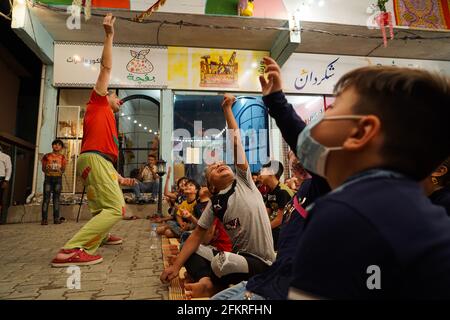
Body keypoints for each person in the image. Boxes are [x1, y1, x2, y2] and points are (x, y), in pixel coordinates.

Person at [259, 57, 450, 299]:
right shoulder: (417, 214)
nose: (320, 119)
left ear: (360, 132)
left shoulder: (342, 214)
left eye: (333, 109)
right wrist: (276, 100)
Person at [160, 94, 275, 299]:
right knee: (187, 239)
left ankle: (212, 286)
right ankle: (208, 281)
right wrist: (175, 267)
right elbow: (196, 236)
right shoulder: (215, 204)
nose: (219, 165)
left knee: (221, 262)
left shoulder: (244, 182)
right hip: (237, 261)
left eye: (221, 164)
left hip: (262, 262)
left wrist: (227, 110)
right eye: (213, 168)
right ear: (211, 185)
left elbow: (236, 142)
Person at [51, 14, 136, 267]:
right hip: (94, 159)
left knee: (101, 208)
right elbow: (106, 68)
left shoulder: (107, 117)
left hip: (96, 160)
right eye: (115, 95)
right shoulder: (97, 102)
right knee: (116, 208)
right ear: (104, 95)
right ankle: (71, 249)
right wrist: (109, 36)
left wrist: (119, 178)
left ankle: (100, 236)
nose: (118, 98)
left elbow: (105, 157)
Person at [259, 160, 294, 250]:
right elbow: (267, 212)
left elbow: (280, 219)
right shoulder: (270, 191)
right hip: (275, 229)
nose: (260, 175)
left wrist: (263, 230)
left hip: (286, 231)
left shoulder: (283, 192)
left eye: (262, 171)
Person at [41, 139, 67, 225]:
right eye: (55, 144)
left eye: (59, 145)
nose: (57, 146)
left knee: (56, 199)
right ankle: (44, 219)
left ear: (61, 147)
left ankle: (56, 219)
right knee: (46, 199)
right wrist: (49, 171)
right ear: (52, 146)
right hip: (48, 178)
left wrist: (58, 171)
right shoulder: (46, 156)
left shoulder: (62, 157)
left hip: (58, 179)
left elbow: (63, 169)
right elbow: (43, 168)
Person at [0, 145, 12, 225]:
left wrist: (6, 180)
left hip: (1, 179)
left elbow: (9, 169)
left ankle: (1, 219)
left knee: (1, 199)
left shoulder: (5, 157)